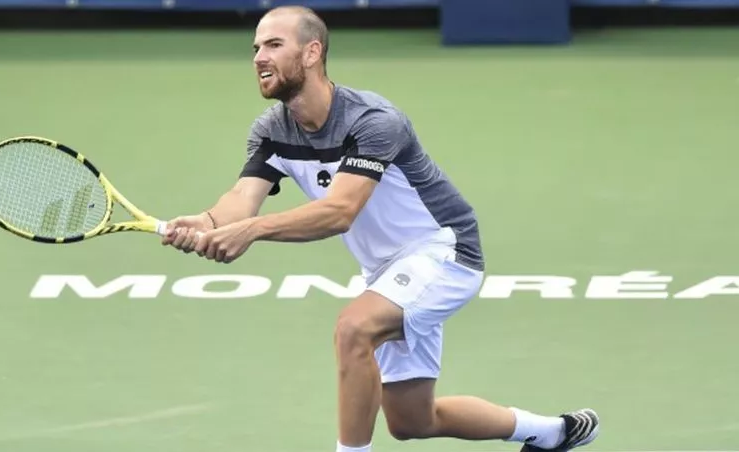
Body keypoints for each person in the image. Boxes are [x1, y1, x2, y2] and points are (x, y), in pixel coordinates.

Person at [161, 6, 600, 452]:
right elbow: (241, 199)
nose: (258, 56)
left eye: (274, 44)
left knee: (354, 329)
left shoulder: (372, 120)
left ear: (312, 53)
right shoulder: (271, 130)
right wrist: (209, 222)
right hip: (388, 271)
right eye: (256, 47)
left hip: (445, 252)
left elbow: (340, 211)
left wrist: (251, 230)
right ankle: (553, 433)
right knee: (412, 419)